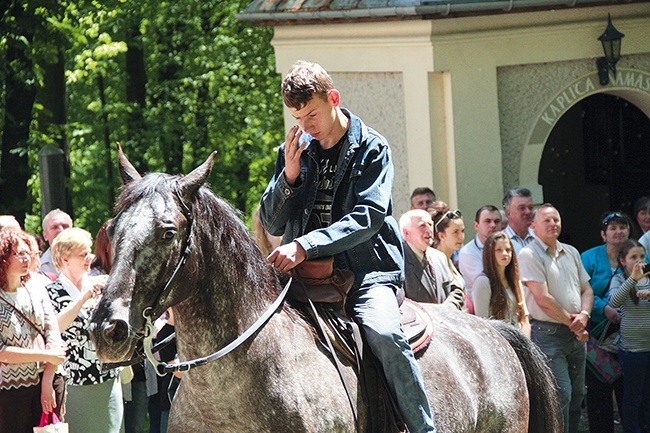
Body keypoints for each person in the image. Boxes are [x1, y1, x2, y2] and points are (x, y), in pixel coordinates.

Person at [259, 60, 436, 433]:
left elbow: (369, 216)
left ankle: (423, 428)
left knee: (385, 334)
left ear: (333, 98)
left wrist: (305, 246)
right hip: (299, 276)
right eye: (297, 117)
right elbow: (272, 223)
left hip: (365, 273)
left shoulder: (373, 147)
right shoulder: (293, 151)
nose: (306, 126)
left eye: (311, 115)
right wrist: (288, 177)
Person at [518, 203, 594, 433]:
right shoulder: (529, 254)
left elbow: (587, 290)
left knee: (578, 394)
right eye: (547, 221)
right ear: (533, 227)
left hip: (575, 333)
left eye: (556, 220)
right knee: (561, 393)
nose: (553, 224)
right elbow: (542, 298)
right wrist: (575, 325)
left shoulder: (570, 251)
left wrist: (584, 314)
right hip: (548, 334)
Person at [46, 227, 124, 433]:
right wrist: (82, 299)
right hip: (75, 384)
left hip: (108, 378)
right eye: (82, 254)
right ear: (64, 259)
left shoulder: (99, 285)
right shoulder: (50, 293)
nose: (90, 257)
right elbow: (54, 327)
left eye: (89, 251)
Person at [0, 229, 66, 433]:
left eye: (28, 252)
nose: (26, 258)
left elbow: (53, 334)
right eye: (19, 253)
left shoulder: (36, 288)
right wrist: (46, 355)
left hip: (49, 381)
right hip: (10, 389)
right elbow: (2, 353)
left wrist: (47, 380)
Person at [581, 212, 629, 433]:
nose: (618, 231)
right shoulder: (588, 258)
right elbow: (582, 288)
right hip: (597, 335)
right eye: (613, 228)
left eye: (623, 227)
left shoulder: (640, 256)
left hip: (629, 333)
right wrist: (604, 308)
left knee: (628, 387)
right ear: (603, 234)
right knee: (599, 388)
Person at [609, 239, 650, 433]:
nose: (639, 261)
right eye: (633, 257)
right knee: (633, 396)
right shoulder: (619, 279)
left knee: (648, 395)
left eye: (642, 256)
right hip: (633, 350)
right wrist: (633, 279)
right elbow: (614, 301)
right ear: (623, 261)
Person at [399, 209, 463, 308]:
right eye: (422, 226)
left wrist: (448, 307)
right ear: (406, 232)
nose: (429, 230)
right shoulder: (399, 262)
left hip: (447, 319)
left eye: (430, 224)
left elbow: (456, 289)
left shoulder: (439, 257)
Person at [472, 232, 531, 336]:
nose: (505, 253)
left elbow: (524, 318)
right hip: (498, 343)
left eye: (508, 250)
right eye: (499, 250)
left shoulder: (514, 280)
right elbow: (482, 324)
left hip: (519, 340)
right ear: (490, 253)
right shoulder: (483, 282)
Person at [458, 205, 502, 306]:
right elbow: (489, 285)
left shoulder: (508, 248)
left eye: (497, 221)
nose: (493, 225)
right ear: (476, 225)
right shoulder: (468, 253)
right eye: (487, 221)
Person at [432, 207, 466, 297]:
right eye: (455, 232)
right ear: (442, 236)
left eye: (462, 231)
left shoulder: (449, 261)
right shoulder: (434, 264)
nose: (461, 237)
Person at [502, 187, 535, 253]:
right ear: (508, 213)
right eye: (522, 208)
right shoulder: (499, 241)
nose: (528, 212)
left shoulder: (539, 237)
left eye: (530, 208)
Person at [40, 209, 73, 275]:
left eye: (65, 226)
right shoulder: (38, 267)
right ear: (45, 235)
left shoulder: (88, 262)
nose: (61, 230)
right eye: (54, 227)